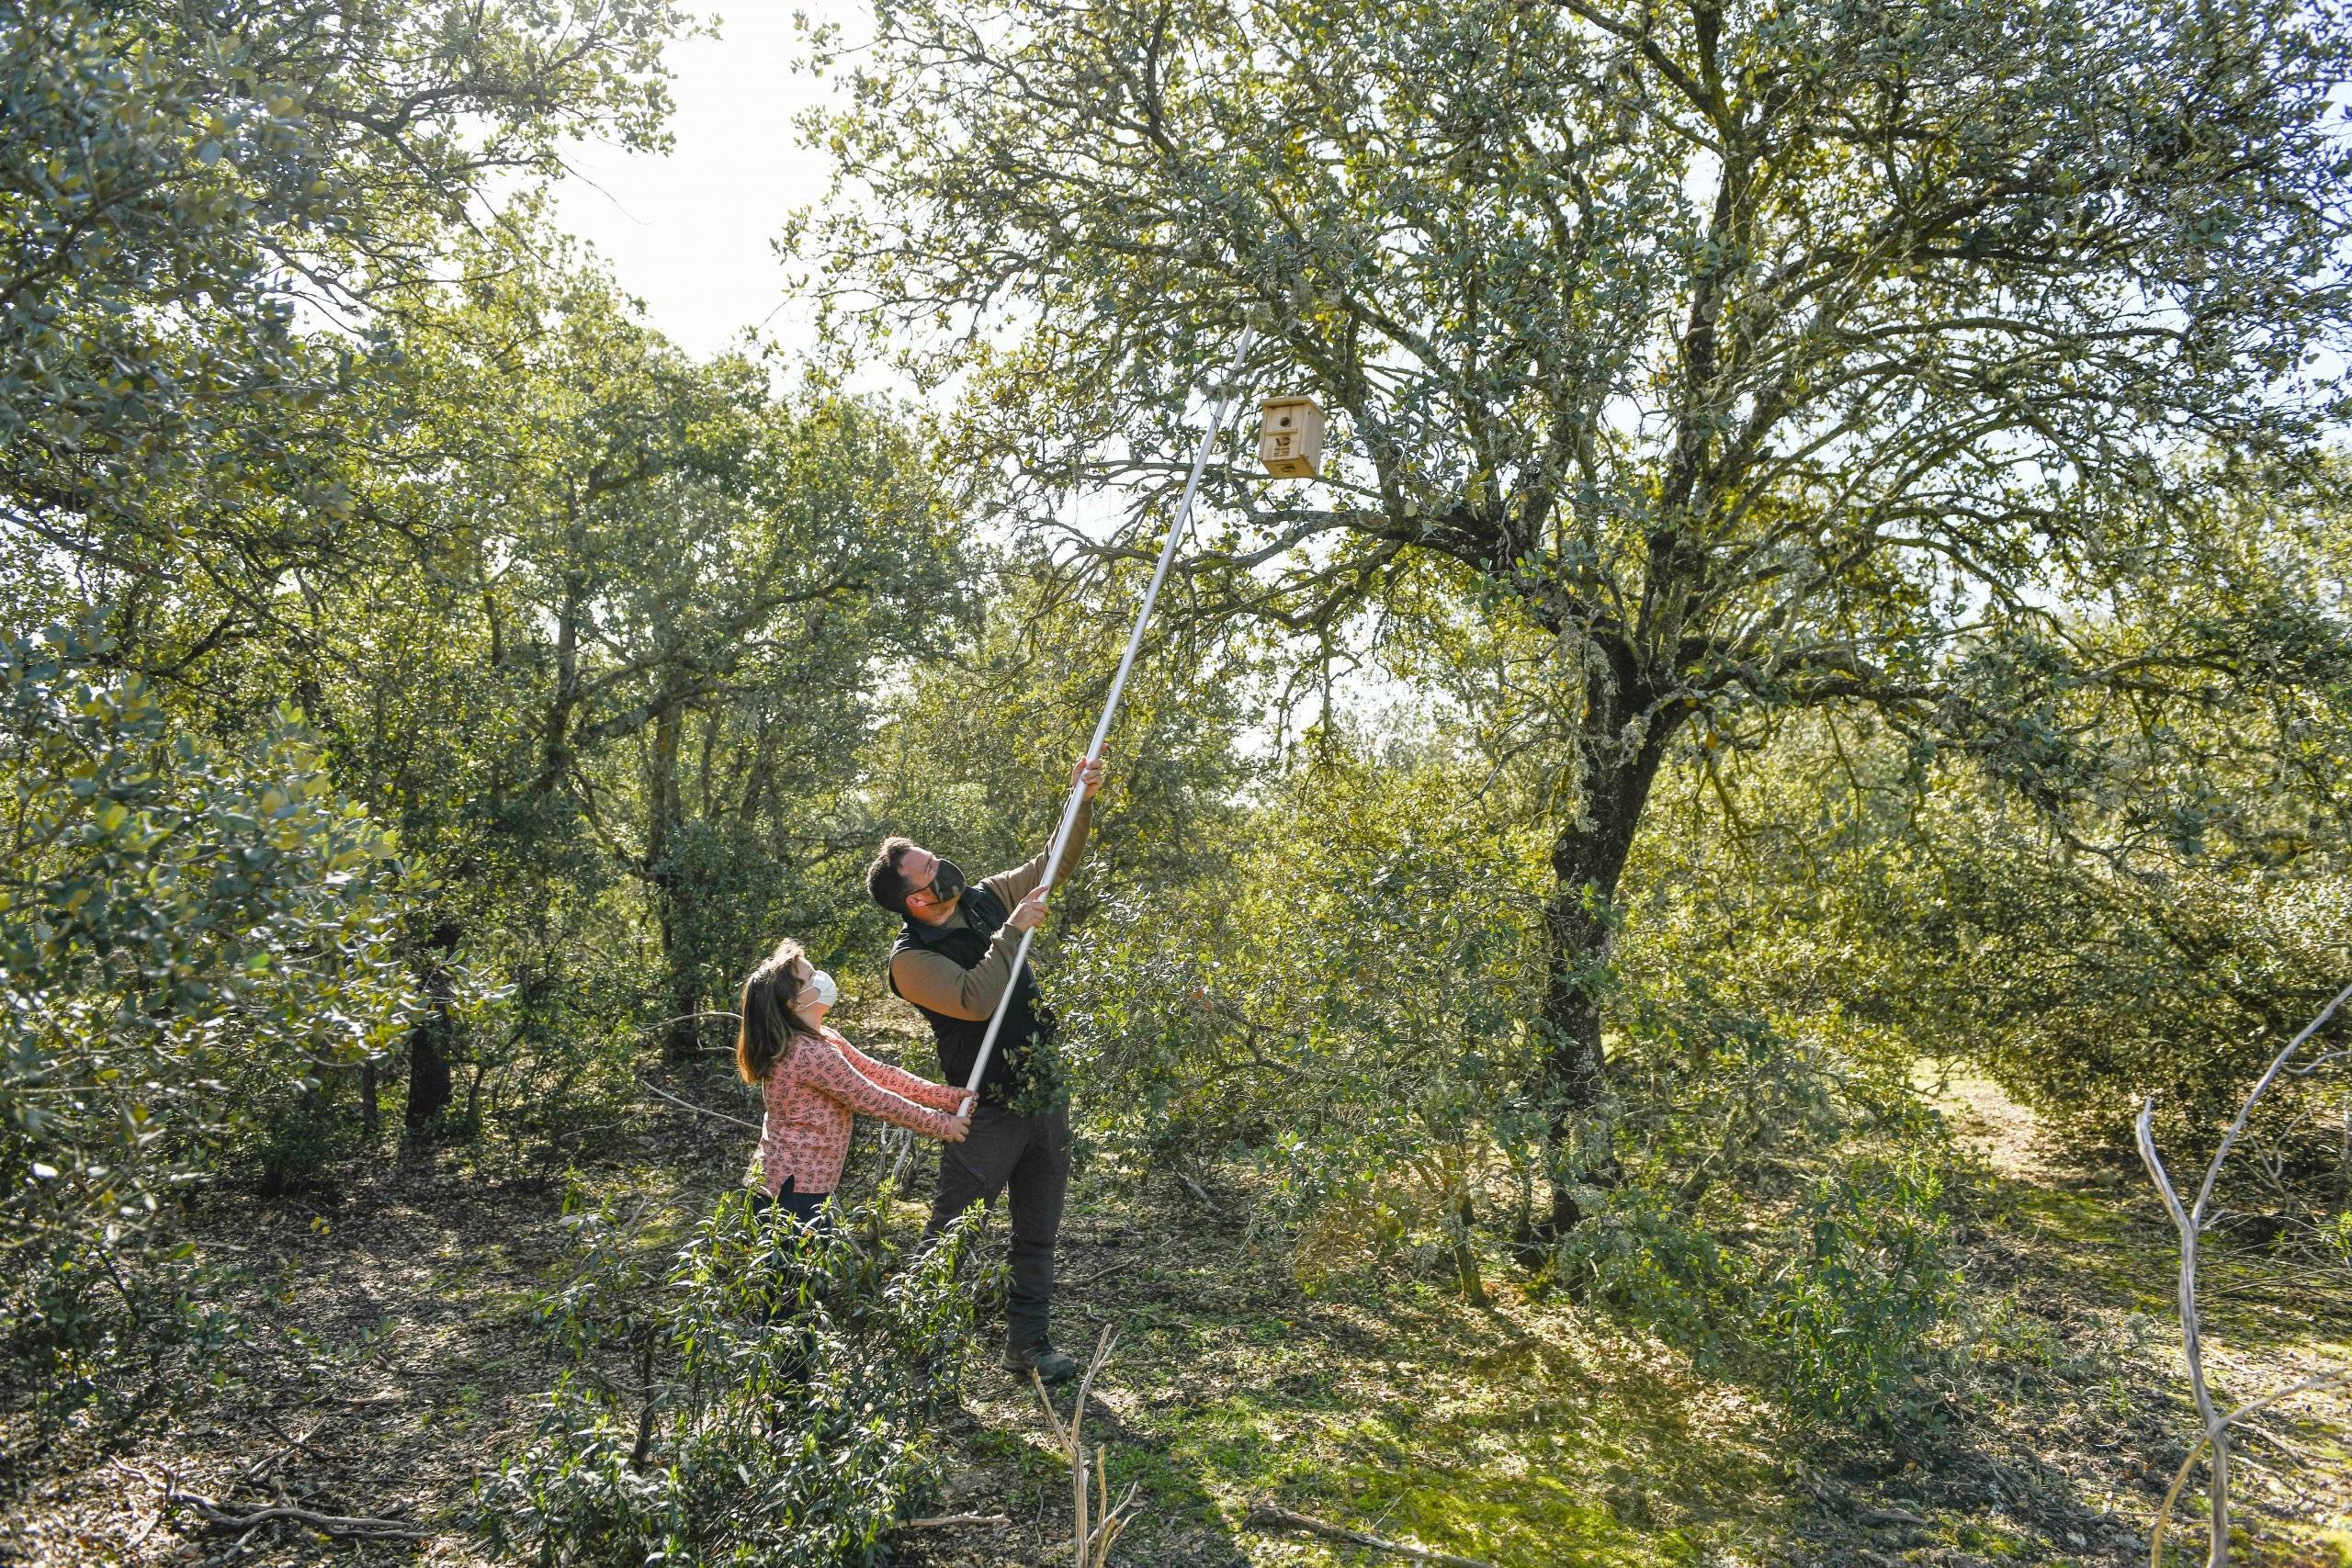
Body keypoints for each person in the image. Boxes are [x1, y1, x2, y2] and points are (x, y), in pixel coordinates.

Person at [864, 753, 1104, 1383]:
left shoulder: (984, 898)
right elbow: (975, 997)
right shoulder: (910, 960)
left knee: (1038, 1230)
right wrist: (1011, 933)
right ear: (915, 897)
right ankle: (910, 1356)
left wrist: (1078, 798)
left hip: (1043, 1092)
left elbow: (1052, 864)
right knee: (951, 1234)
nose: (940, 865)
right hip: (984, 1108)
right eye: (927, 867)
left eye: (932, 856)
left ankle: (1028, 1345)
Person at [734, 938, 972, 1226]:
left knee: (803, 1268)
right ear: (797, 1001)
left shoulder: (824, 1037)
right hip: (790, 1188)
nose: (821, 978)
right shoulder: (809, 1053)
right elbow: (871, 1098)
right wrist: (941, 1124)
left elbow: (879, 1073)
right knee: (799, 1270)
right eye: (811, 977)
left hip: (802, 1183)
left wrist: (945, 1097)